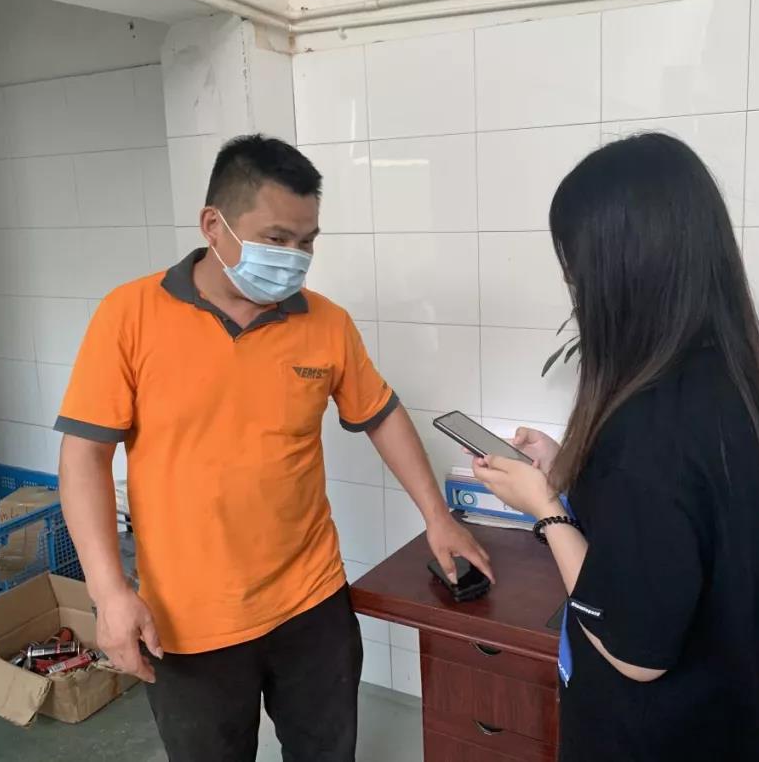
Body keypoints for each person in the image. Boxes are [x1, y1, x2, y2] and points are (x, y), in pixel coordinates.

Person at [56, 134, 492, 762]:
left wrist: (437, 517)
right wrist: (108, 592)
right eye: (276, 239)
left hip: (311, 604)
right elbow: (84, 458)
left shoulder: (326, 323)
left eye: (307, 242)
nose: (293, 259)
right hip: (188, 622)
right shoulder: (129, 316)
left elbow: (382, 415)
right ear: (214, 225)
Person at [472, 132, 759, 761]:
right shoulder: (723, 376)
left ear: (622, 269)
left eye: (575, 263)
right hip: (714, 724)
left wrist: (547, 511)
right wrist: (571, 466)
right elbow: (670, 522)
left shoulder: (649, 425)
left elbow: (635, 650)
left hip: (647, 736)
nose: (572, 283)